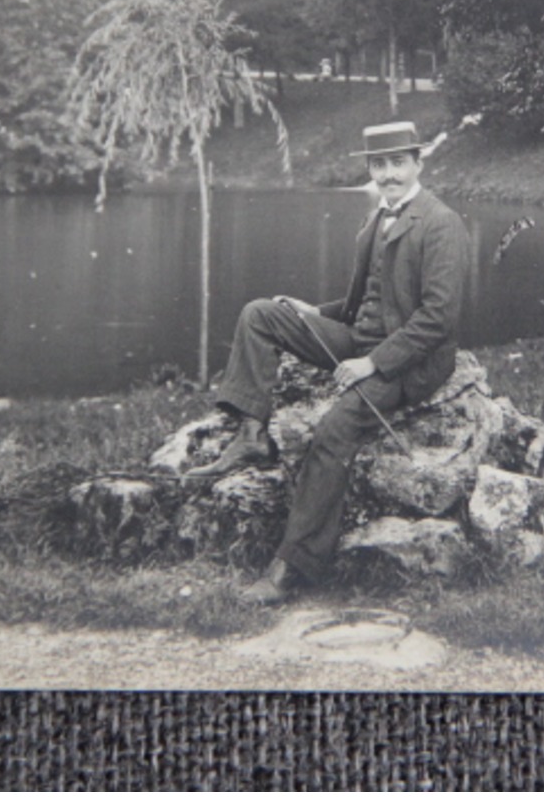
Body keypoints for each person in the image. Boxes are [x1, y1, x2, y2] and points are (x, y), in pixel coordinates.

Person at [187, 121, 470, 604]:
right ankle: (253, 434)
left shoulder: (441, 223)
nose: (388, 174)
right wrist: (312, 313)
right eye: (379, 165)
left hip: (409, 362)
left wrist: (373, 364)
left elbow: (438, 318)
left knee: (334, 429)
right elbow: (363, 302)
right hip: (361, 338)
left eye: (397, 162)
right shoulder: (373, 221)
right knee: (261, 314)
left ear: (418, 163)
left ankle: (293, 566)